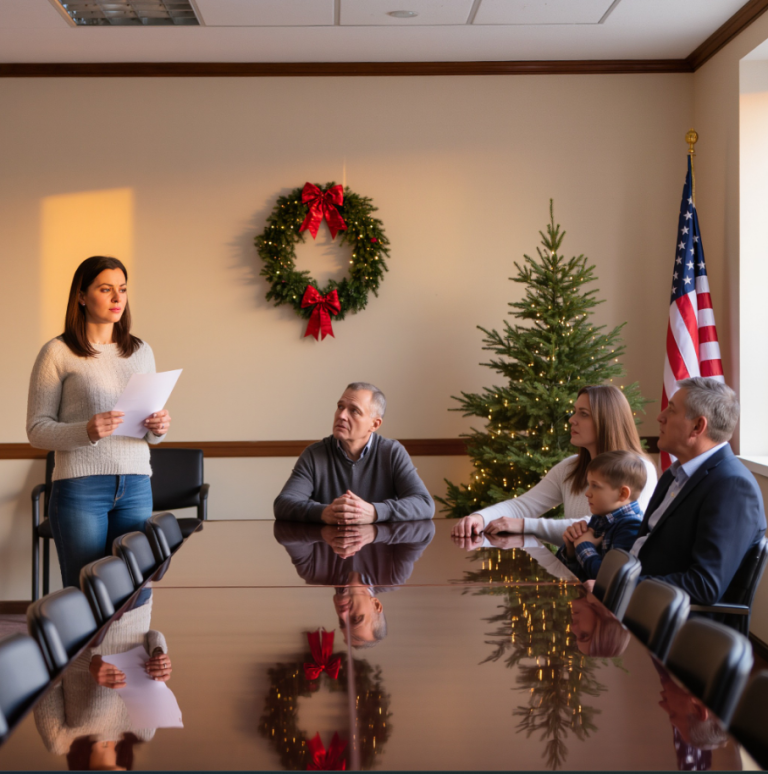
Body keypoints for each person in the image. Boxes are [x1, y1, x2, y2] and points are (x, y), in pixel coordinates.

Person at [27, 256, 171, 588]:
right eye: (106, 289)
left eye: (122, 289)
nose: (118, 298)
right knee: (86, 592)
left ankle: (131, 643)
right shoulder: (58, 352)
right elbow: (36, 429)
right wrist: (86, 430)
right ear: (81, 295)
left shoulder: (141, 351)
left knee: (133, 589)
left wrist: (159, 428)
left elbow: (150, 434)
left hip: (135, 485)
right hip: (81, 488)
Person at [450, 384, 657, 546]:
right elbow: (524, 505)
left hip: (606, 584)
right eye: (574, 412)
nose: (571, 420)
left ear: (606, 421)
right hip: (572, 574)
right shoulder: (569, 467)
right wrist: (479, 517)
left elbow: (599, 527)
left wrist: (523, 526)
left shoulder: (640, 469)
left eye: (583, 414)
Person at [630, 377, 766, 605]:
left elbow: (704, 585)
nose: (660, 416)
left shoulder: (733, 487)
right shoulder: (674, 475)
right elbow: (647, 543)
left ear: (697, 427)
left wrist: (623, 585)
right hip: (635, 601)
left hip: (669, 623)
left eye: (671, 411)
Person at [273, 382, 435, 523]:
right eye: (340, 407)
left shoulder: (392, 452)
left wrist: (374, 512)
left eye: (354, 411)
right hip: (328, 549)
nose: (342, 415)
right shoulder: (314, 454)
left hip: (380, 551)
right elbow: (283, 504)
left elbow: (424, 504)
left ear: (374, 424)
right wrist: (323, 512)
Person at [555, 450, 646, 582]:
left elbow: (610, 579)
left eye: (595, 486)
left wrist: (583, 545)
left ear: (622, 493)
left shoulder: (631, 525)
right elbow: (565, 573)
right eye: (589, 485)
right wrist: (571, 549)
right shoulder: (600, 518)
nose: (587, 493)